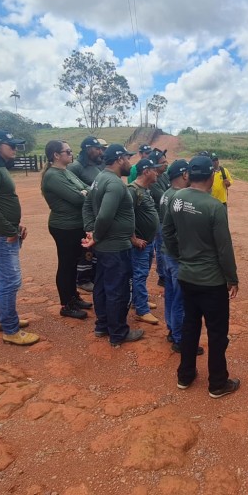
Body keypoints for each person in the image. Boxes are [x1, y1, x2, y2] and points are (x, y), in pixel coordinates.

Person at [163, 155, 240, 399]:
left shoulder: (176, 198)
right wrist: (232, 278)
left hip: (187, 276)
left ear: (190, 175)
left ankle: (185, 376)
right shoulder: (214, 207)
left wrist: (180, 256)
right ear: (211, 176)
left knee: (190, 325)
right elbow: (224, 248)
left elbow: (166, 232)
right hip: (211, 281)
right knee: (217, 333)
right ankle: (217, 383)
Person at [0, 130, 38, 345]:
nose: (14, 148)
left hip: (2, 231)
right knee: (11, 280)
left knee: (1, 277)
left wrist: (14, 225)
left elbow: (0, 202)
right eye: (10, 145)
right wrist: (9, 230)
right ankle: (10, 330)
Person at [82, 143, 144, 348]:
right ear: (119, 159)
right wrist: (96, 235)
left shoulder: (100, 178)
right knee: (118, 290)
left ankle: (102, 326)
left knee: (101, 286)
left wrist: (91, 231)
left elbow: (87, 205)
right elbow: (105, 215)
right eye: (128, 158)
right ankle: (118, 332)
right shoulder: (115, 184)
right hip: (115, 247)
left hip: (105, 246)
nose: (130, 162)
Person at [40, 140, 94, 320]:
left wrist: (84, 193)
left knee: (72, 265)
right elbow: (78, 198)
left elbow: (88, 189)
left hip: (75, 225)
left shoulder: (66, 172)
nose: (71, 154)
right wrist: (84, 193)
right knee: (66, 265)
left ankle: (73, 297)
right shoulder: (53, 176)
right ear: (56, 155)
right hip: (64, 227)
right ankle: (66, 304)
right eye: (68, 151)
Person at [159, 159, 205, 356]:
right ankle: (180, 339)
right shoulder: (179, 198)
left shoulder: (166, 194)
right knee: (181, 299)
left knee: (171, 295)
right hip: (176, 255)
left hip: (166, 253)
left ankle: (172, 330)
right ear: (185, 175)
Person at [67, 136, 108, 292]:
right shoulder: (75, 167)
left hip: (96, 213)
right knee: (86, 249)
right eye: (96, 148)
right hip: (84, 216)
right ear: (87, 149)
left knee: (94, 248)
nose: (99, 151)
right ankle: (82, 279)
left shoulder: (95, 166)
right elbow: (73, 189)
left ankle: (91, 276)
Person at [128, 157, 163, 326]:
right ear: (146, 171)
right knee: (140, 275)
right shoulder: (132, 191)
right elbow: (126, 217)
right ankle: (141, 310)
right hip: (140, 244)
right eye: (154, 169)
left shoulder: (145, 190)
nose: (157, 172)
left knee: (144, 272)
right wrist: (133, 239)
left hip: (148, 242)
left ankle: (138, 301)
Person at [148, 148, 170, 288]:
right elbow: (164, 197)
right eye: (163, 162)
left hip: (166, 217)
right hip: (159, 219)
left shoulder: (165, 176)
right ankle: (162, 276)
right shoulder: (153, 180)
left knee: (164, 246)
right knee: (162, 248)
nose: (166, 164)